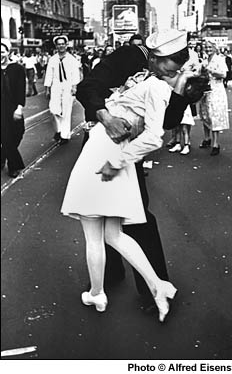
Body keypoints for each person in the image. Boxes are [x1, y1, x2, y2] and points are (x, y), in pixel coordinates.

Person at [62, 29, 191, 321]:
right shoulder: (128, 56)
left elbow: (167, 122)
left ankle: (152, 287)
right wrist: (106, 118)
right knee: (101, 217)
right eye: (172, 64)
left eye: (180, 66)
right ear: (156, 57)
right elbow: (87, 87)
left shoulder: (172, 77)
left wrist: (182, 91)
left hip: (128, 151)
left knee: (135, 216)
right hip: (103, 140)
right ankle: (110, 275)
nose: (175, 70)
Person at [44, 35, 82, 145]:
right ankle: (58, 130)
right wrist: (47, 88)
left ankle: (64, 135)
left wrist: (74, 87)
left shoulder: (72, 59)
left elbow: (75, 74)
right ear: (56, 46)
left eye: (62, 44)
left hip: (68, 86)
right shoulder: (53, 59)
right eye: (58, 44)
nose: (61, 46)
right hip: (55, 86)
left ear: (66, 45)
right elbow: (49, 74)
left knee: (66, 110)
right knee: (53, 110)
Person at [199, 41, 229, 156]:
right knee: (205, 114)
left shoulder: (219, 59)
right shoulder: (205, 59)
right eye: (206, 47)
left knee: (214, 115)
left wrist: (210, 71)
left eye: (210, 47)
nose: (207, 49)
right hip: (205, 89)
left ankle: (216, 143)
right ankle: (207, 138)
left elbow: (223, 74)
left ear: (215, 48)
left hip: (216, 89)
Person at [1, 39, 26, 178]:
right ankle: (13, 166)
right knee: (5, 136)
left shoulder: (17, 69)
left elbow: (21, 90)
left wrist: (19, 108)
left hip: (13, 107)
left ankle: (2, 155)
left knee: (18, 133)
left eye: (2, 51)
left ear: (8, 52)